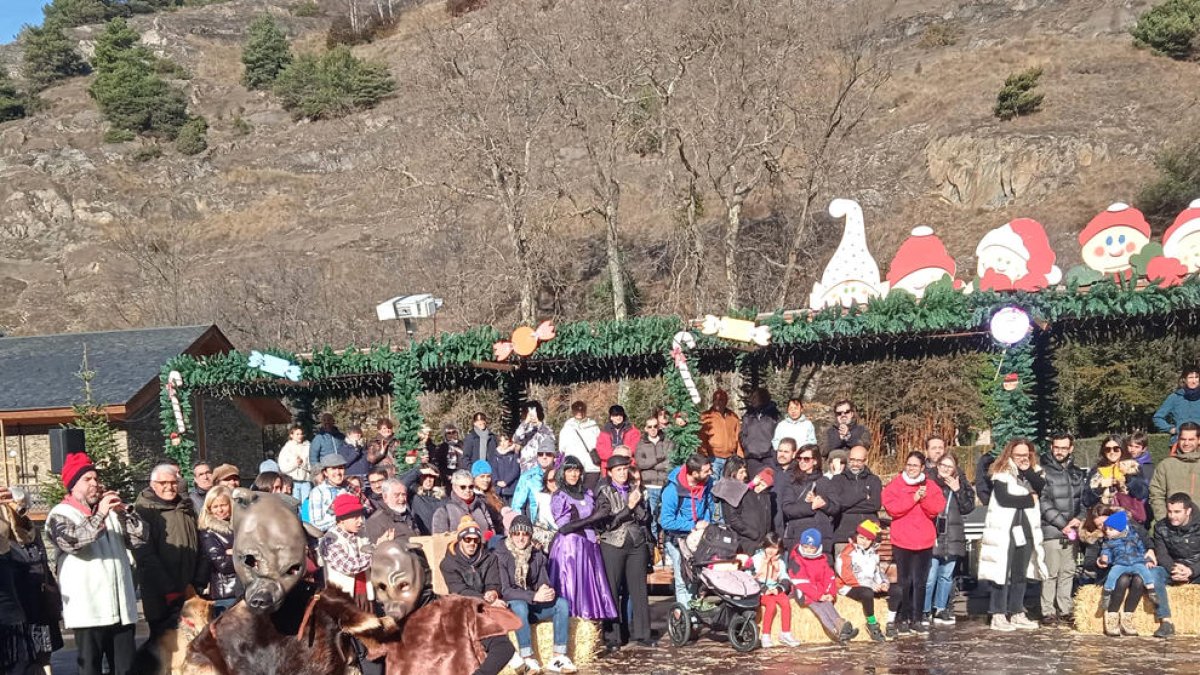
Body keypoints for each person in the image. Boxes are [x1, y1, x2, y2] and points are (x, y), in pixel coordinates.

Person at [46, 453, 145, 675]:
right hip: (89, 610)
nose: (95, 484)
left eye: (96, 479)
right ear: (73, 486)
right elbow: (74, 542)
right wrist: (100, 514)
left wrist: (125, 513)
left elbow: (140, 539)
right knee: (90, 668)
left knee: (127, 669)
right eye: (87, 480)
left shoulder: (110, 514)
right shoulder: (60, 514)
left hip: (121, 609)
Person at [978, 438, 1047, 632]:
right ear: (1010, 454)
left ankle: (1017, 611)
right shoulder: (1001, 473)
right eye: (1018, 455)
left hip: (1026, 529)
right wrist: (1028, 499)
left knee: (1020, 572)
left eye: (1026, 455)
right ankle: (998, 613)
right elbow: (1004, 498)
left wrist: (1027, 471)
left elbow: (1041, 487)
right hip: (1005, 529)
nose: (1022, 458)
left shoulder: (1034, 472)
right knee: (1001, 572)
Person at [494, 515, 576, 674]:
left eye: (524, 534)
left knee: (562, 604)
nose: (520, 538)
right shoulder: (501, 554)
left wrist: (547, 590)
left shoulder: (537, 555)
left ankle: (558, 657)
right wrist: (533, 596)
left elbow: (543, 581)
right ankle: (527, 657)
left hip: (533, 606)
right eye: (516, 534)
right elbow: (506, 591)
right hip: (513, 609)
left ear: (530, 536)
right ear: (510, 535)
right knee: (519, 605)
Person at [321, 494, 389, 674]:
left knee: (371, 640)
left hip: (365, 595)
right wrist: (377, 550)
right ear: (341, 520)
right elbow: (349, 566)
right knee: (363, 645)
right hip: (345, 600)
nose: (360, 521)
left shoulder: (361, 534)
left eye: (360, 515)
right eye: (354, 516)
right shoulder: (330, 540)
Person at [439, 517, 517, 675]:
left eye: (475, 540)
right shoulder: (448, 563)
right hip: (461, 612)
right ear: (460, 539)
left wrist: (493, 592)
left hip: (484, 611)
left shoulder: (489, 558)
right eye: (467, 539)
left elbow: (494, 583)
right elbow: (459, 591)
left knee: (505, 648)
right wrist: (485, 600)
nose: (471, 543)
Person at [592, 454, 654, 652]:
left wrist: (639, 505)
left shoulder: (635, 490)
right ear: (609, 473)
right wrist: (629, 506)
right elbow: (607, 524)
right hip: (613, 543)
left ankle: (643, 633)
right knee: (612, 589)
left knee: (639, 590)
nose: (622, 472)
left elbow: (645, 519)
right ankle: (613, 636)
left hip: (636, 542)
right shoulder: (603, 492)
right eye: (618, 469)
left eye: (625, 469)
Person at [134, 463, 200, 641]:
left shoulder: (185, 508)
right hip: (161, 594)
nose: (169, 487)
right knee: (166, 648)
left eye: (173, 482)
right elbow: (145, 555)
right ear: (153, 484)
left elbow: (199, 544)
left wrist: (199, 580)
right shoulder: (144, 511)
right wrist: (168, 589)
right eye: (163, 483)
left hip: (190, 590)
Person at [881, 451, 945, 635]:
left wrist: (923, 498)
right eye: (909, 465)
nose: (911, 468)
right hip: (902, 539)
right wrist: (913, 498)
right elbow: (893, 509)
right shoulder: (896, 484)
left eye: (915, 465)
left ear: (922, 468)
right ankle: (903, 616)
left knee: (920, 581)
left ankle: (917, 618)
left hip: (923, 540)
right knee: (904, 581)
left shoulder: (930, 486)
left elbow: (935, 509)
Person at [549, 456, 617, 620]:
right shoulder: (560, 496)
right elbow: (564, 527)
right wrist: (594, 518)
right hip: (571, 549)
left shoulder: (587, 493)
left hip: (589, 547)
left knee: (588, 587)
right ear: (563, 473)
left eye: (576, 470)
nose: (573, 474)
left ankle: (590, 622)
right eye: (569, 470)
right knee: (572, 585)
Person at [1038, 432, 1086, 626]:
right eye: (1056, 447)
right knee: (1051, 572)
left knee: (1068, 571)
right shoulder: (1044, 471)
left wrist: (1080, 518)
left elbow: (1084, 500)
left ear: (1071, 448)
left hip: (1072, 530)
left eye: (1063, 448)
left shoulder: (1077, 473)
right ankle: (1048, 610)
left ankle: (1065, 609)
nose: (1059, 451)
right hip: (1052, 530)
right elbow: (1043, 502)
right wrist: (1061, 524)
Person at [926, 452, 975, 626]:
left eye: (950, 466)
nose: (946, 469)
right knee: (930, 575)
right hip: (933, 533)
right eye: (943, 465)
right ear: (937, 465)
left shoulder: (960, 482)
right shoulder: (928, 480)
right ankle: (925, 610)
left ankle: (940, 608)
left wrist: (958, 490)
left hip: (953, 534)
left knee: (946, 575)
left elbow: (968, 507)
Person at [660, 454, 715, 605]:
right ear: (694, 473)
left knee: (698, 578)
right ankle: (686, 616)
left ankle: (695, 610)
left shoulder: (707, 483)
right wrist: (692, 526)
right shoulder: (672, 490)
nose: (710, 473)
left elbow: (709, 506)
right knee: (683, 579)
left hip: (699, 537)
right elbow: (665, 521)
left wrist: (707, 523)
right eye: (706, 471)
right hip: (678, 539)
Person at [787, 528, 859, 643]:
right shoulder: (797, 560)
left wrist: (830, 594)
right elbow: (801, 582)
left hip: (820, 591)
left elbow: (829, 578)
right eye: (805, 547)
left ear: (817, 547)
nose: (808, 550)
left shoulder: (822, 559)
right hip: (804, 593)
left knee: (828, 604)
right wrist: (818, 596)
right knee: (820, 608)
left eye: (812, 548)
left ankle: (842, 626)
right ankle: (836, 631)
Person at [1149, 492, 1200, 638]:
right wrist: (1174, 569)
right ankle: (1166, 621)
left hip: (1196, 567)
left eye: (1177, 512)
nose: (1172, 516)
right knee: (1153, 573)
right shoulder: (1161, 527)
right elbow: (1162, 554)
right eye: (1170, 511)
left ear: (1188, 511)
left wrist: (1192, 571)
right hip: (1174, 567)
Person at [836, 520, 897, 642]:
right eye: (861, 538)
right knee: (867, 593)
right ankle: (872, 623)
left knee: (897, 590)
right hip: (849, 587)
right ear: (856, 536)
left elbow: (877, 572)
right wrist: (870, 585)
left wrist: (883, 583)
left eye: (868, 539)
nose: (864, 542)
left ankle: (890, 622)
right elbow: (847, 576)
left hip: (871, 584)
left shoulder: (874, 554)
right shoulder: (847, 553)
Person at [776, 444, 837, 553]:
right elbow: (787, 509)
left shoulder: (825, 482)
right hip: (798, 534)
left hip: (821, 535)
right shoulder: (792, 482)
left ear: (815, 461)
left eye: (806, 459)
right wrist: (811, 506)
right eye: (799, 458)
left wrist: (823, 504)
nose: (802, 462)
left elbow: (836, 507)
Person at [828, 444, 881, 560]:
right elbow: (838, 503)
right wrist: (862, 496)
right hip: (843, 534)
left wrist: (847, 504)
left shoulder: (874, 480)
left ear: (866, 460)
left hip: (868, 536)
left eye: (859, 460)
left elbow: (875, 504)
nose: (855, 463)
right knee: (843, 572)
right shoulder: (839, 479)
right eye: (852, 460)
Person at [1084, 435, 1149, 524]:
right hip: (1102, 520)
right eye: (1108, 449)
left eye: (1116, 449)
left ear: (1122, 449)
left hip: (1128, 520)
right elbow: (1086, 500)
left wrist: (1127, 478)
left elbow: (1142, 493)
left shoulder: (1132, 467)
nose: (1112, 452)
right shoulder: (1096, 471)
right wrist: (1100, 487)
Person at [751, 532, 798, 648]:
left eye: (775, 548)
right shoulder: (756, 559)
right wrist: (763, 589)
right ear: (764, 546)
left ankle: (785, 633)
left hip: (775, 588)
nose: (771, 551)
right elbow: (750, 576)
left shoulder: (780, 562)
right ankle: (766, 635)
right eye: (769, 547)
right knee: (771, 605)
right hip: (760, 590)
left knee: (786, 603)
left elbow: (785, 577)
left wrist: (779, 588)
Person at [197, 486, 238, 613]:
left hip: (245, 589)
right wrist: (240, 553)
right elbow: (223, 564)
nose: (220, 510)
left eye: (223, 505)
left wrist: (232, 552)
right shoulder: (208, 531)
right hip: (226, 592)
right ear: (209, 509)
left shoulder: (240, 526)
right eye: (215, 506)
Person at [1151, 421, 1200, 519]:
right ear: (1178, 439)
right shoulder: (1166, 465)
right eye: (1183, 439)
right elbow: (1156, 494)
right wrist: (1163, 519)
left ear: (1198, 440)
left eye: (1191, 439)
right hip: (1172, 525)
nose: (1186, 443)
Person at [635, 415, 673, 538]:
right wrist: (658, 460)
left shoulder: (666, 441)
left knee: (665, 517)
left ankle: (665, 545)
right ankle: (654, 546)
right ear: (645, 428)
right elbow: (641, 463)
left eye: (655, 426)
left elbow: (670, 461)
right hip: (649, 485)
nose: (653, 429)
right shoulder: (641, 444)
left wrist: (652, 465)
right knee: (651, 518)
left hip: (664, 484)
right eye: (649, 427)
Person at [724, 468, 775, 553]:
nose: (760, 488)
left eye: (764, 486)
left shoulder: (766, 498)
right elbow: (734, 519)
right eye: (760, 484)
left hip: (761, 541)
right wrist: (753, 534)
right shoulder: (743, 494)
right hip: (745, 540)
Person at [433, 469, 496, 537]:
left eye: (471, 487)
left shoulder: (481, 505)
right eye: (463, 487)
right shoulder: (444, 511)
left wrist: (487, 539)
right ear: (454, 487)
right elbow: (440, 540)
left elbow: (491, 529)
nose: (467, 490)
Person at [560, 401, 602, 490]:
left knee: (589, 494)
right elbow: (562, 448)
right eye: (576, 411)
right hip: (574, 467)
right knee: (574, 493)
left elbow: (600, 445)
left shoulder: (593, 427)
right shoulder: (567, 427)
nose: (579, 413)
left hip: (591, 467)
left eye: (581, 411)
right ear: (573, 411)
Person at [1154, 366, 1200, 444]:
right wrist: (1170, 429)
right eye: (1190, 377)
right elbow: (1157, 417)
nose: (1194, 381)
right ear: (1184, 379)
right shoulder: (1174, 397)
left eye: (1197, 377)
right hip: (1179, 442)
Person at [699, 389, 741, 475]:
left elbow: (739, 438)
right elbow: (701, 439)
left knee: (727, 485)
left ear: (726, 401)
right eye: (715, 399)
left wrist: (740, 457)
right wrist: (704, 457)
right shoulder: (706, 417)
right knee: (714, 485)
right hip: (713, 459)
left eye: (721, 400)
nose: (717, 402)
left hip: (730, 460)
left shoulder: (733, 417)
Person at [740, 388, 780, 477]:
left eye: (755, 398)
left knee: (769, 484)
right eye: (752, 398)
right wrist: (747, 446)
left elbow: (778, 435)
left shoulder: (773, 415)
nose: (753, 400)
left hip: (769, 457)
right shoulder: (748, 415)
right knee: (754, 485)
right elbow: (742, 434)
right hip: (752, 457)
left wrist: (773, 451)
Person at [364, 478, 417, 544]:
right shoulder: (375, 522)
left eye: (403, 494)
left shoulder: (408, 514)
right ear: (385, 497)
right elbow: (377, 550)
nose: (402, 499)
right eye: (397, 495)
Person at [512, 448, 558, 524]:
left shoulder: (562, 475)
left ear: (554, 457)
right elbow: (517, 506)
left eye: (548, 454)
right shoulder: (527, 477)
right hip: (538, 527)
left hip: (560, 526)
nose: (544, 457)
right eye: (540, 454)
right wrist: (523, 527)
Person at [595, 405, 641, 478]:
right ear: (611, 417)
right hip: (609, 466)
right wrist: (615, 455)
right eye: (615, 415)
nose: (618, 417)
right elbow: (600, 450)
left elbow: (634, 447)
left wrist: (622, 455)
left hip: (628, 465)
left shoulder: (632, 430)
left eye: (620, 414)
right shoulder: (604, 432)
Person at [307, 454, 350, 532]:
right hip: (332, 538)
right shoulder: (318, 492)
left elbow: (367, 508)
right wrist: (344, 518)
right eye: (333, 468)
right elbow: (316, 525)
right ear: (325, 473)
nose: (338, 472)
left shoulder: (351, 487)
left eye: (341, 468)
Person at [514, 401, 557, 471]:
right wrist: (525, 423)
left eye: (534, 412)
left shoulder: (546, 429)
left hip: (542, 469)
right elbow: (516, 439)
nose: (532, 415)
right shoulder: (523, 429)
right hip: (526, 468)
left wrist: (538, 424)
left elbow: (551, 442)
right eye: (529, 413)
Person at [278, 424, 312, 504]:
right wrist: (295, 464)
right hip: (293, 481)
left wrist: (307, 469)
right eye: (297, 434)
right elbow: (283, 467)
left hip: (305, 480)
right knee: (294, 503)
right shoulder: (287, 449)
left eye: (301, 434)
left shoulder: (308, 447)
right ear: (291, 435)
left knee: (307, 503)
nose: (300, 436)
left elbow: (311, 463)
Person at [472, 460, 507, 538]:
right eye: (482, 476)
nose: (486, 480)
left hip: (500, 536)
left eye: (488, 476)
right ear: (474, 478)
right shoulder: (473, 497)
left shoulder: (494, 495)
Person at [409, 465, 444, 536]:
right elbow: (401, 482)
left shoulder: (443, 498)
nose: (428, 480)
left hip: (439, 536)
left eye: (431, 477)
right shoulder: (413, 495)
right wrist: (419, 471)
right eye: (424, 476)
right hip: (421, 537)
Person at [489, 434, 522, 504]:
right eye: (501, 441)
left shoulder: (514, 454)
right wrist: (497, 481)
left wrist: (506, 481)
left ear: (510, 442)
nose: (503, 443)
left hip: (511, 489)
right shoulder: (496, 455)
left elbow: (515, 470)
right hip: (499, 490)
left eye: (505, 440)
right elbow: (493, 469)